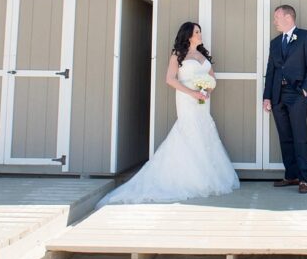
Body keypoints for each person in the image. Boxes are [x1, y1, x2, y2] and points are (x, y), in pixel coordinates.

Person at [96, 21, 239, 205]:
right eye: (197, 32)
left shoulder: (203, 54)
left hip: (202, 101)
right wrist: (192, 92)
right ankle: (187, 178)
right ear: (188, 35)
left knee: (204, 131)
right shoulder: (178, 55)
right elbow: (170, 79)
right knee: (188, 131)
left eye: (200, 31)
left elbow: (211, 76)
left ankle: (206, 175)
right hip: (187, 99)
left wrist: (207, 90)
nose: (200, 34)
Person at [262, 4, 307, 194]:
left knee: (299, 137)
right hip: (278, 95)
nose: (274, 21)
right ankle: (291, 175)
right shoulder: (275, 43)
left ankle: (304, 179)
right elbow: (271, 71)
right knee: (285, 138)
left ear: (288, 18)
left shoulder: (306, 36)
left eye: (276, 18)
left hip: (297, 95)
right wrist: (267, 96)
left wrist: (306, 89)